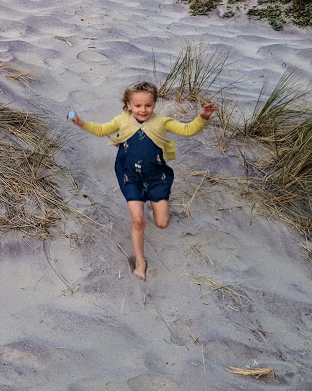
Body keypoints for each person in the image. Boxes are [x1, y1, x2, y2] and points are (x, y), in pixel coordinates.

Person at [70, 81, 216, 281]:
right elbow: (102, 130)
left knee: (162, 223)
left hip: (157, 176)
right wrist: (81, 123)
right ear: (129, 105)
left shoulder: (163, 122)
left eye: (148, 105)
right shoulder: (122, 120)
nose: (143, 109)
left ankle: (155, 204)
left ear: (154, 104)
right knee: (138, 220)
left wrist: (202, 117)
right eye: (137, 105)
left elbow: (187, 130)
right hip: (129, 175)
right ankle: (140, 262)